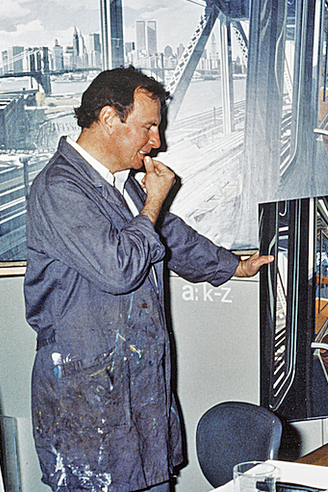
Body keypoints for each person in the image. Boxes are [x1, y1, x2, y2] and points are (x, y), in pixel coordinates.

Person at [24, 66, 273, 492]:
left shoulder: (115, 183)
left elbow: (168, 235)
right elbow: (119, 269)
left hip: (135, 393)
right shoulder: (59, 188)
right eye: (148, 126)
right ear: (108, 119)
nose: (157, 141)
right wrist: (153, 200)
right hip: (88, 404)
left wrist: (231, 265)